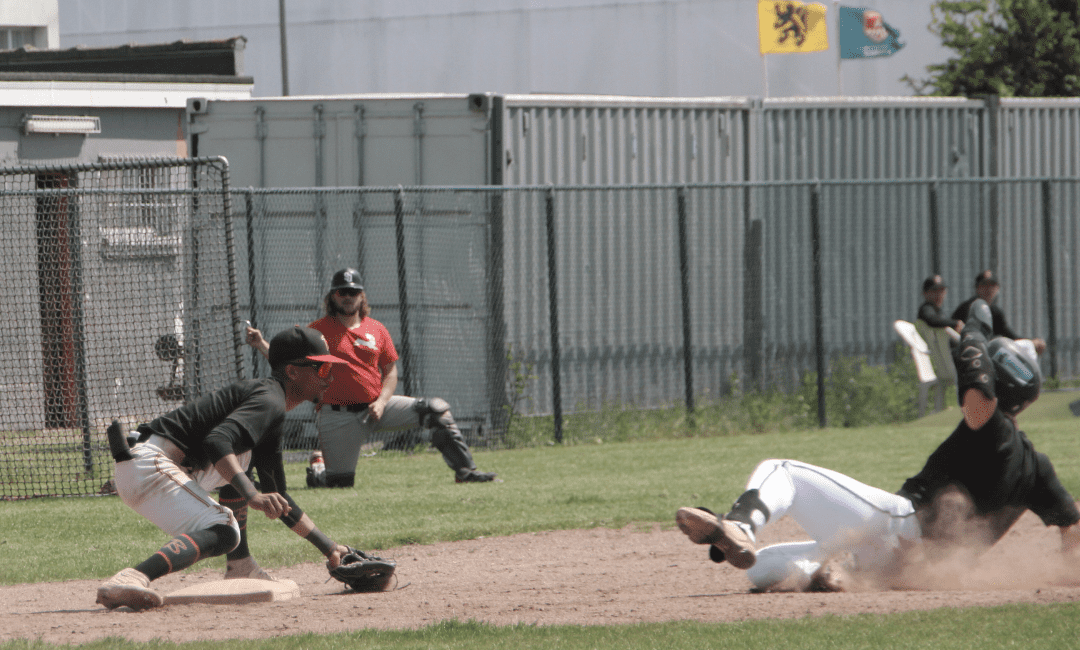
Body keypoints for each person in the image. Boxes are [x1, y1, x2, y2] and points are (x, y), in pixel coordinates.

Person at [676, 300, 1080, 592]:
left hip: (897, 528)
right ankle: (828, 575)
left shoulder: (994, 432)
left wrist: (975, 330)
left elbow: (978, 401)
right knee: (760, 570)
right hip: (903, 571)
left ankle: (741, 525)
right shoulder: (1037, 468)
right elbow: (1072, 527)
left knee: (781, 470)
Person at [96, 326, 353, 610]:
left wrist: (330, 548)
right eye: (322, 368)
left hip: (154, 469)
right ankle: (133, 576)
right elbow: (217, 441)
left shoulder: (271, 409)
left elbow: (278, 495)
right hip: (152, 466)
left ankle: (240, 564)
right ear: (292, 372)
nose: (329, 377)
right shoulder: (270, 399)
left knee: (241, 465)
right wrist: (252, 496)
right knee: (225, 527)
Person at [246, 267, 498, 487]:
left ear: (361, 296)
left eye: (353, 292)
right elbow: (291, 365)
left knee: (436, 409)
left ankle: (466, 472)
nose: (347, 297)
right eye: (341, 292)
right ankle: (318, 471)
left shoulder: (377, 329)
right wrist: (261, 344)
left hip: (377, 407)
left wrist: (381, 402)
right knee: (339, 483)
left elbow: (390, 372)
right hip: (337, 416)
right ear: (333, 296)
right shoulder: (317, 331)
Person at [951, 270, 1046, 354]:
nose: (989, 289)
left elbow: (1009, 336)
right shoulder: (969, 308)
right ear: (977, 288)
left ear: (998, 289)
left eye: (992, 285)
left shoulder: (995, 311)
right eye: (984, 285)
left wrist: (1031, 342)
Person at [915, 274, 962, 412]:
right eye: (934, 290)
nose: (939, 294)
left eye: (941, 290)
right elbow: (932, 321)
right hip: (942, 365)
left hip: (942, 363)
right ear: (925, 293)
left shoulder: (938, 311)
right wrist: (955, 323)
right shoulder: (926, 309)